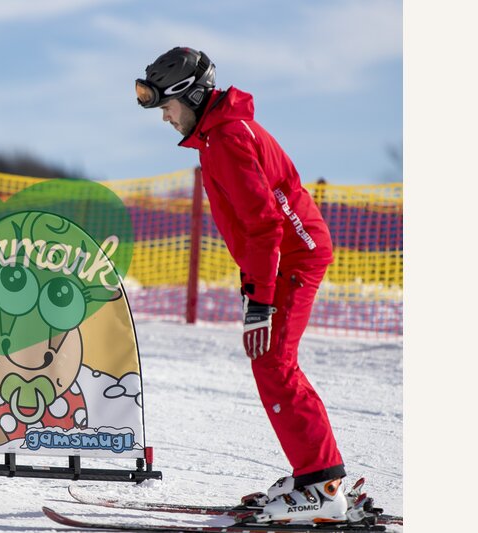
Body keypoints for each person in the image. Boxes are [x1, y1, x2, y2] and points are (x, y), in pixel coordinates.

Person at [135, 47, 347, 523]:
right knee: (275, 362)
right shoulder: (217, 136)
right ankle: (318, 474)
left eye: (166, 106)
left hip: (293, 254)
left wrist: (260, 303)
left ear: (189, 96)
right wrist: (256, 287)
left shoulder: (227, 137)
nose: (165, 118)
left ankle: (323, 487)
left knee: (273, 361)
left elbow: (267, 225)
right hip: (287, 254)